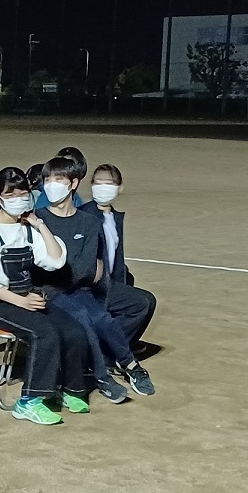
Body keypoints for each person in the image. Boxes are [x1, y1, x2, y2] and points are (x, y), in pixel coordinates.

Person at [0, 166, 91, 425]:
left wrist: (39, 225)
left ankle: (69, 389)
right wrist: (21, 301)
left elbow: (55, 260)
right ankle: (29, 401)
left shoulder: (27, 229)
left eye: (23, 194)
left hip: (28, 298)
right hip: (1, 303)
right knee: (44, 333)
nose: (18, 200)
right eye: (11, 195)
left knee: (73, 330)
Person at [34, 157, 155, 401]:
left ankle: (128, 364)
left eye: (58, 179)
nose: (51, 185)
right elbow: (40, 269)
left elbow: (87, 268)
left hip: (79, 290)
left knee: (102, 317)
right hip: (52, 292)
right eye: (47, 180)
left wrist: (70, 273)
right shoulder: (37, 219)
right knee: (85, 318)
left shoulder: (88, 222)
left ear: (73, 183)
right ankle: (103, 376)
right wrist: (73, 273)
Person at [80, 163, 158, 387]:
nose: (103, 187)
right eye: (98, 182)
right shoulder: (85, 215)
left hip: (109, 282)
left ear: (119, 188)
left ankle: (110, 350)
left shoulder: (114, 218)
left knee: (145, 300)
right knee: (142, 303)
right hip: (91, 286)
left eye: (109, 183)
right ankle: (103, 351)